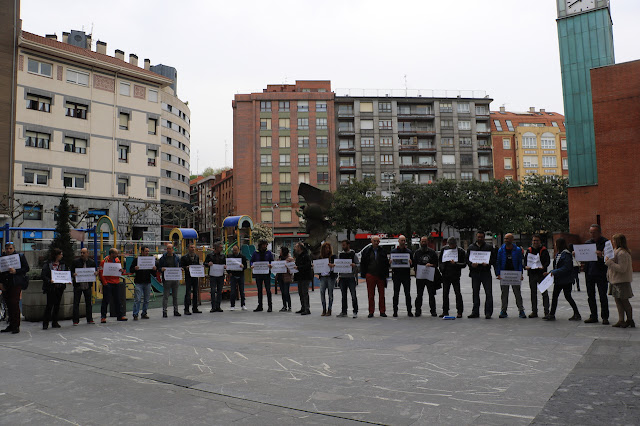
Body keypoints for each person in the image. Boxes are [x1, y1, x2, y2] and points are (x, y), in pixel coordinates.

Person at [543, 238, 581, 321]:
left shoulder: (566, 254)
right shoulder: (558, 254)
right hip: (559, 279)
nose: (555, 245)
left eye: (556, 243)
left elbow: (566, 267)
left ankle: (577, 314)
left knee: (567, 296)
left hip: (566, 280)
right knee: (555, 296)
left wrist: (553, 272)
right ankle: (552, 314)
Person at [605, 234, 634, 328]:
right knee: (618, 301)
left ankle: (629, 320)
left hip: (621, 281)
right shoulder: (616, 251)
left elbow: (622, 268)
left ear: (618, 241)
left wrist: (609, 262)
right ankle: (621, 320)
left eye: (614, 240)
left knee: (624, 301)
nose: (613, 242)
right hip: (615, 280)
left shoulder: (623, 253)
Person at [0, 242, 30, 334]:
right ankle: (11, 324)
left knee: (14, 303)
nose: (9, 250)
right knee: (8, 304)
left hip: (15, 283)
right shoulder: (2, 258)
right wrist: (0, 283)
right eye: (7, 248)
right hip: (6, 284)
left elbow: (26, 268)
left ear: (14, 249)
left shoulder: (19, 257)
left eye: (10, 248)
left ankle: (16, 325)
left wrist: (16, 271)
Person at [582, 224, 609, 324]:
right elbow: (584, 258)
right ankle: (593, 316)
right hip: (589, 273)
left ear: (599, 232)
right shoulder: (588, 243)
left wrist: (601, 255)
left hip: (601, 273)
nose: (592, 234)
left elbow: (610, 257)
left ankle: (605, 317)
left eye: (594, 232)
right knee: (590, 295)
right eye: (591, 232)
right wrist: (577, 255)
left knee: (603, 295)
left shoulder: (606, 243)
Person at [495, 233, 526, 319]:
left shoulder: (518, 250)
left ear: (512, 239)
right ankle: (503, 310)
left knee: (517, 293)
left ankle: (521, 310)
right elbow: (498, 262)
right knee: (504, 294)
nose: (506, 240)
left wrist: (520, 273)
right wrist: (498, 273)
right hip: (504, 275)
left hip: (515, 274)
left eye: (507, 239)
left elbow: (520, 262)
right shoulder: (501, 250)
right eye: (505, 239)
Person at [467, 231, 494, 319]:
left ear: (484, 237)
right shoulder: (471, 247)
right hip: (475, 273)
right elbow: (467, 259)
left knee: (488, 293)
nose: (480, 239)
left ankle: (488, 312)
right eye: (478, 237)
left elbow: (493, 259)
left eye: (481, 237)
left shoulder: (489, 247)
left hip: (485, 272)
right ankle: (475, 312)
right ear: (476, 237)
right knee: (475, 293)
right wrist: (471, 264)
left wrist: (488, 263)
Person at [360, 236, 389, 318]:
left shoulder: (382, 251)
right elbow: (363, 263)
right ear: (371, 241)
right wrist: (364, 274)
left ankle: (382, 311)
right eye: (374, 241)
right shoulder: (366, 251)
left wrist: (385, 274)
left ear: (379, 242)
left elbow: (386, 263)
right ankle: (371, 311)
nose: (376, 242)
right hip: (370, 274)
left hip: (381, 275)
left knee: (382, 294)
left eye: (377, 241)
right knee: (370, 294)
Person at [42, 248, 70, 329]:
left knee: (57, 305)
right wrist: (49, 280)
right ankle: (45, 323)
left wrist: (67, 279)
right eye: (60, 254)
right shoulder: (48, 264)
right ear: (56, 255)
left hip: (59, 287)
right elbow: (43, 275)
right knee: (49, 305)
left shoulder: (63, 264)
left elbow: (65, 273)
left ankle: (55, 321)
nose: (62, 256)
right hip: (51, 287)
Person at [439, 237, 467, 318]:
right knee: (445, 294)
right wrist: (442, 269)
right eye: (450, 244)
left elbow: (464, 264)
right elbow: (440, 261)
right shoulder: (444, 249)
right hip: (446, 275)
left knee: (457, 293)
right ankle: (445, 311)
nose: (451, 246)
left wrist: (456, 264)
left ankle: (459, 311)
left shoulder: (460, 251)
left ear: (455, 244)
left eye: (452, 244)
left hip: (455, 275)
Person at [524, 234, 551, 319]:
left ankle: (546, 311)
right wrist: (525, 267)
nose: (535, 242)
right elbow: (525, 262)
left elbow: (548, 261)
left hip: (541, 274)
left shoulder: (544, 250)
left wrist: (544, 266)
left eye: (537, 240)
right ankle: (534, 311)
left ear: (540, 242)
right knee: (533, 293)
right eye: (534, 240)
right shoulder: (529, 250)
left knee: (544, 293)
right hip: (532, 274)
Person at [413, 236, 439, 317]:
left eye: (425, 241)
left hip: (429, 276)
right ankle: (418, 310)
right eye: (422, 241)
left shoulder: (432, 252)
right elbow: (414, 264)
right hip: (420, 276)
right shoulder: (417, 252)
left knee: (431, 294)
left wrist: (431, 265)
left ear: (427, 242)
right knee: (419, 294)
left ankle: (433, 310)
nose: (423, 243)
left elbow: (436, 264)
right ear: (420, 242)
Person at [99, 248, 126, 323]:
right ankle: (103, 317)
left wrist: (121, 271)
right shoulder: (104, 261)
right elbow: (101, 272)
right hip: (108, 283)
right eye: (116, 254)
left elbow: (120, 271)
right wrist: (105, 283)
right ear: (111, 254)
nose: (117, 255)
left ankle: (120, 315)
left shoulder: (117, 260)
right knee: (106, 300)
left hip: (116, 282)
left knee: (117, 300)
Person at [129, 246, 156, 320]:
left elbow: (153, 273)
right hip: (139, 282)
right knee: (137, 299)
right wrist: (135, 268)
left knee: (146, 299)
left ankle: (144, 313)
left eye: (148, 251)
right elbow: (130, 269)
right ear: (142, 251)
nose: (147, 253)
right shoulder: (136, 260)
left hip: (147, 282)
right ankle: (135, 314)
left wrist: (154, 269)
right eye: (146, 251)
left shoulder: (150, 260)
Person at [71, 247, 97, 325]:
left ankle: (89, 319)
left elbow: (95, 271)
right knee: (76, 303)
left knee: (88, 302)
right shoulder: (75, 262)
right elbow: (71, 271)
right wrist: (73, 274)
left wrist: (96, 273)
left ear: (87, 253)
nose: (82, 254)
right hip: (78, 285)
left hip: (87, 285)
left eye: (84, 253)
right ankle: (75, 320)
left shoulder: (92, 262)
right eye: (81, 253)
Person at [390, 235, 413, 317]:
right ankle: (395, 311)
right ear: (398, 241)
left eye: (404, 240)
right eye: (401, 240)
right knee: (396, 294)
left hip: (406, 275)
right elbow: (390, 264)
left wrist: (411, 262)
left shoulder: (409, 252)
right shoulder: (393, 252)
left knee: (407, 294)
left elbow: (413, 264)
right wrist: (390, 262)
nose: (403, 242)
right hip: (396, 275)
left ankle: (409, 311)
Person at [157, 243, 182, 318]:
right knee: (166, 295)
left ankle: (176, 310)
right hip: (167, 279)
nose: (169, 250)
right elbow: (159, 267)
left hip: (175, 278)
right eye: (167, 248)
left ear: (173, 249)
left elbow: (179, 265)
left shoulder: (176, 257)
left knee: (175, 296)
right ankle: (164, 311)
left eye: (170, 248)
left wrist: (180, 269)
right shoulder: (163, 258)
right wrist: (161, 269)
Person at [336, 240, 359, 319]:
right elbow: (338, 264)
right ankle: (344, 311)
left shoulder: (353, 254)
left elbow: (358, 264)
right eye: (342, 245)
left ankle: (355, 311)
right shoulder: (341, 254)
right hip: (342, 277)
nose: (343, 247)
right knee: (343, 296)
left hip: (351, 277)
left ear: (348, 245)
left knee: (353, 295)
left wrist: (354, 265)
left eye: (344, 245)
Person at [251, 240, 274, 312]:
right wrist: (252, 265)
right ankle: (260, 305)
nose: (265, 246)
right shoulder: (255, 253)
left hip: (266, 274)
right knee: (259, 290)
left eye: (266, 245)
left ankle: (270, 306)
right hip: (258, 273)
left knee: (268, 290)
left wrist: (271, 265)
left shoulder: (269, 253)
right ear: (260, 245)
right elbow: (252, 260)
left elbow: (272, 261)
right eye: (264, 245)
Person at [180, 244, 202, 315]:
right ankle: (186, 309)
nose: (193, 249)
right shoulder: (184, 257)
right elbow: (181, 266)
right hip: (188, 277)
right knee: (188, 293)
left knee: (195, 292)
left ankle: (195, 308)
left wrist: (200, 268)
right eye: (191, 247)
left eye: (194, 247)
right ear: (188, 248)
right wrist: (186, 267)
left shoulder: (196, 257)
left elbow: (197, 265)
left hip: (195, 277)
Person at [204, 242, 226, 312]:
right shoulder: (210, 255)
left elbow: (226, 263)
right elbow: (205, 263)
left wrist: (225, 266)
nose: (222, 249)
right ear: (216, 248)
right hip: (213, 275)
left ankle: (218, 306)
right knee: (213, 290)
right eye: (220, 247)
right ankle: (213, 306)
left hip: (220, 275)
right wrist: (208, 264)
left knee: (219, 291)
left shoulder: (223, 255)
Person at [317, 242, 336, 316]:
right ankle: (324, 309)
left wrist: (332, 265)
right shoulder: (320, 257)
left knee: (330, 293)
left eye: (328, 248)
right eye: (325, 248)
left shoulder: (333, 257)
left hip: (330, 276)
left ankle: (329, 309)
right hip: (323, 277)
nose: (327, 250)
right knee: (322, 292)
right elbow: (317, 266)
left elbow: (336, 265)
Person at [294, 242, 312, 315]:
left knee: (304, 292)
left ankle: (307, 308)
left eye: (296, 247)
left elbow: (307, 266)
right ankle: (303, 307)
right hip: (300, 276)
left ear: (300, 248)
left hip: (305, 276)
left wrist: (298, 267)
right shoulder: (298, 256)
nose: (295, 248)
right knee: (300, 292)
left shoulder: (306, 256)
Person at [227, 245, 247, 310]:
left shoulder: (242, 257)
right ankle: (232, 305)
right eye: (233, 250)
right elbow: (228, 265)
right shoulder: (230, 256)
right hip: (233, 275)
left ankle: (243, 304)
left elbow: (246, 266)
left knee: (242, 290)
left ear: (238, 250)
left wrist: (243, 266)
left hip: (240, 275)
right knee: (232, 291)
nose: (234, 251)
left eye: (236, 250)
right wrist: (229, 272)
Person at [275, 246, 294, 312]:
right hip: (280, 277)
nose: (279, 252)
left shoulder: (290, 259)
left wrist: (287, 267)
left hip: (286, 277)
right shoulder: (279, 259)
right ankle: (284, 305)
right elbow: (276, 267)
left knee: (286, 292)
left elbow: (292, 269)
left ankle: (289, 306)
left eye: (281, 251)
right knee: (282, 292)